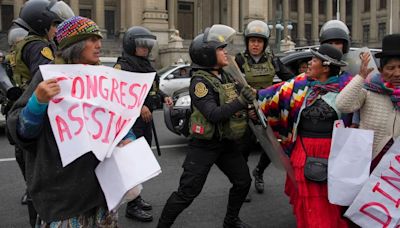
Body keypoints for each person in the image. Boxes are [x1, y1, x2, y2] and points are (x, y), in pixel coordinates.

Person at [6, 16, 132, 227]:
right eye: (91, 39)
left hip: (102, 189)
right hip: (63, 195)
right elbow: (22, 132)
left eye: (99, 39)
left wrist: (127, 137)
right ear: (75, 45)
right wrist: (37, 102)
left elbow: (117, 119)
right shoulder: (48, 77)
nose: (99, 45)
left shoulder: (104, 79)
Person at [157, 24, 255, 228]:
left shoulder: (226, 76)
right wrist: (241, 102)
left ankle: (231, 221)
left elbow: (238, 100)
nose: (225, 52)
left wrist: (250, 107)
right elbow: (213, 114)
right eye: (220, 49)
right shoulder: (200, 83)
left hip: (226, 143)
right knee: (187, 193)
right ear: (207, 55)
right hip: (204, 145)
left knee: (243, 181)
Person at [258, 43, 353, 228]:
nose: (309, 63)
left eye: (314, 60)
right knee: (307, 201)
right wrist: (250, 98)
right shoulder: (300, 84)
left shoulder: (347, 87)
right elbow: (271, 96)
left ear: (326, 66)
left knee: (328, 202)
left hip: (332, 154)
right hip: (302, 152)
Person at [8, 1, 74, 226]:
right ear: (42, 23)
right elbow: (47, 77)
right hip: (37, 112)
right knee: (41, 178)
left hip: (22, 111)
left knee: (32, 177)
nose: (57, 30)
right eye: (55, 25)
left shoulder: (20, 45)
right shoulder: (39, 47)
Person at [114, 25, 173, 222]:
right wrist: (138, 107)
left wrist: (164, 96)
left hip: (145, 123)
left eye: (148, 46)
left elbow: (151, 88)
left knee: (139, 163)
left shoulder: (145, 65)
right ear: (131, 45)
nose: (146, 49)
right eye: (142, 45)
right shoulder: (123, 66)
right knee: (131, 163)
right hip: (131, 124)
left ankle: (136, 198)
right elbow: (118, 93)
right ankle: (131, 205)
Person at [234, 20, 294, 196]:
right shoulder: (238, 60)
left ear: (264, 44)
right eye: (252, 41)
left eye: (259, 41)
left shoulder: (272, 61)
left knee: (272, 147)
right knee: (243, 149)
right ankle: (243, 184)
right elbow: (230, 83)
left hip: (265, 110)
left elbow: (289, 79)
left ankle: (259, 172)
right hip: (245, 110)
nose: (255, 45)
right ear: (247, 42)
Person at [336, 33, 400, 171]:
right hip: (369, 162)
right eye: (391, 68)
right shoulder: (369, 91)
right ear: (381, 70)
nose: (397, 73)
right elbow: (342, 105)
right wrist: (360, 77)